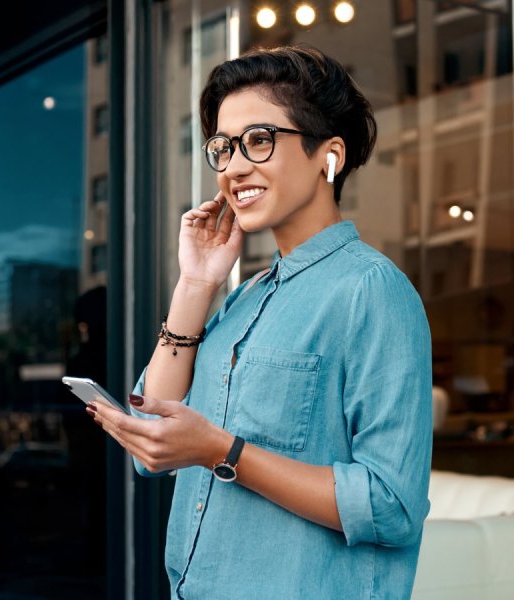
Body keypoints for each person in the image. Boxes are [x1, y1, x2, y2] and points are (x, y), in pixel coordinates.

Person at [88, 45, 432, 599]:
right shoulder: (243, 297)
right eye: (223, 148)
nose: (234, 167)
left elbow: (391, 506)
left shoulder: (371, 291)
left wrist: (222, 452)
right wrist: (196, 284)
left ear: (330, 155)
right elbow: (154, 434)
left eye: (259, 140)